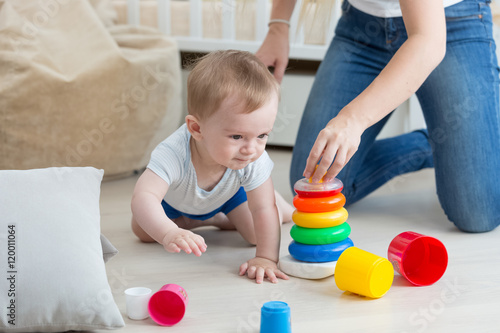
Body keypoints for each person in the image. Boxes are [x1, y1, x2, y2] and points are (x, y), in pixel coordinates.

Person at [256, 0, 500, 233]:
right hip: (362, 28)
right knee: (316, 178)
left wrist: (352, 119)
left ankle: (473, 137)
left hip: (450, 25)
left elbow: (428, 41)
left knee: (476, 213)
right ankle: (432, 144)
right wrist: (278, 25)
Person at [131, 50, 294, 284]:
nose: (251, 148)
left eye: (262, 135)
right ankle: (205, 219)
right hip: (175, 200)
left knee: (256, 231)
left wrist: (267, 258)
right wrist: (168, 233)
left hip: (229, 196)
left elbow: (263, 210)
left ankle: (284, 207)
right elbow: (143, 196)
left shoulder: (251, 158)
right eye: (237, 136)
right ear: (197, 129)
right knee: (143, 231)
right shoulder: (173, 153)